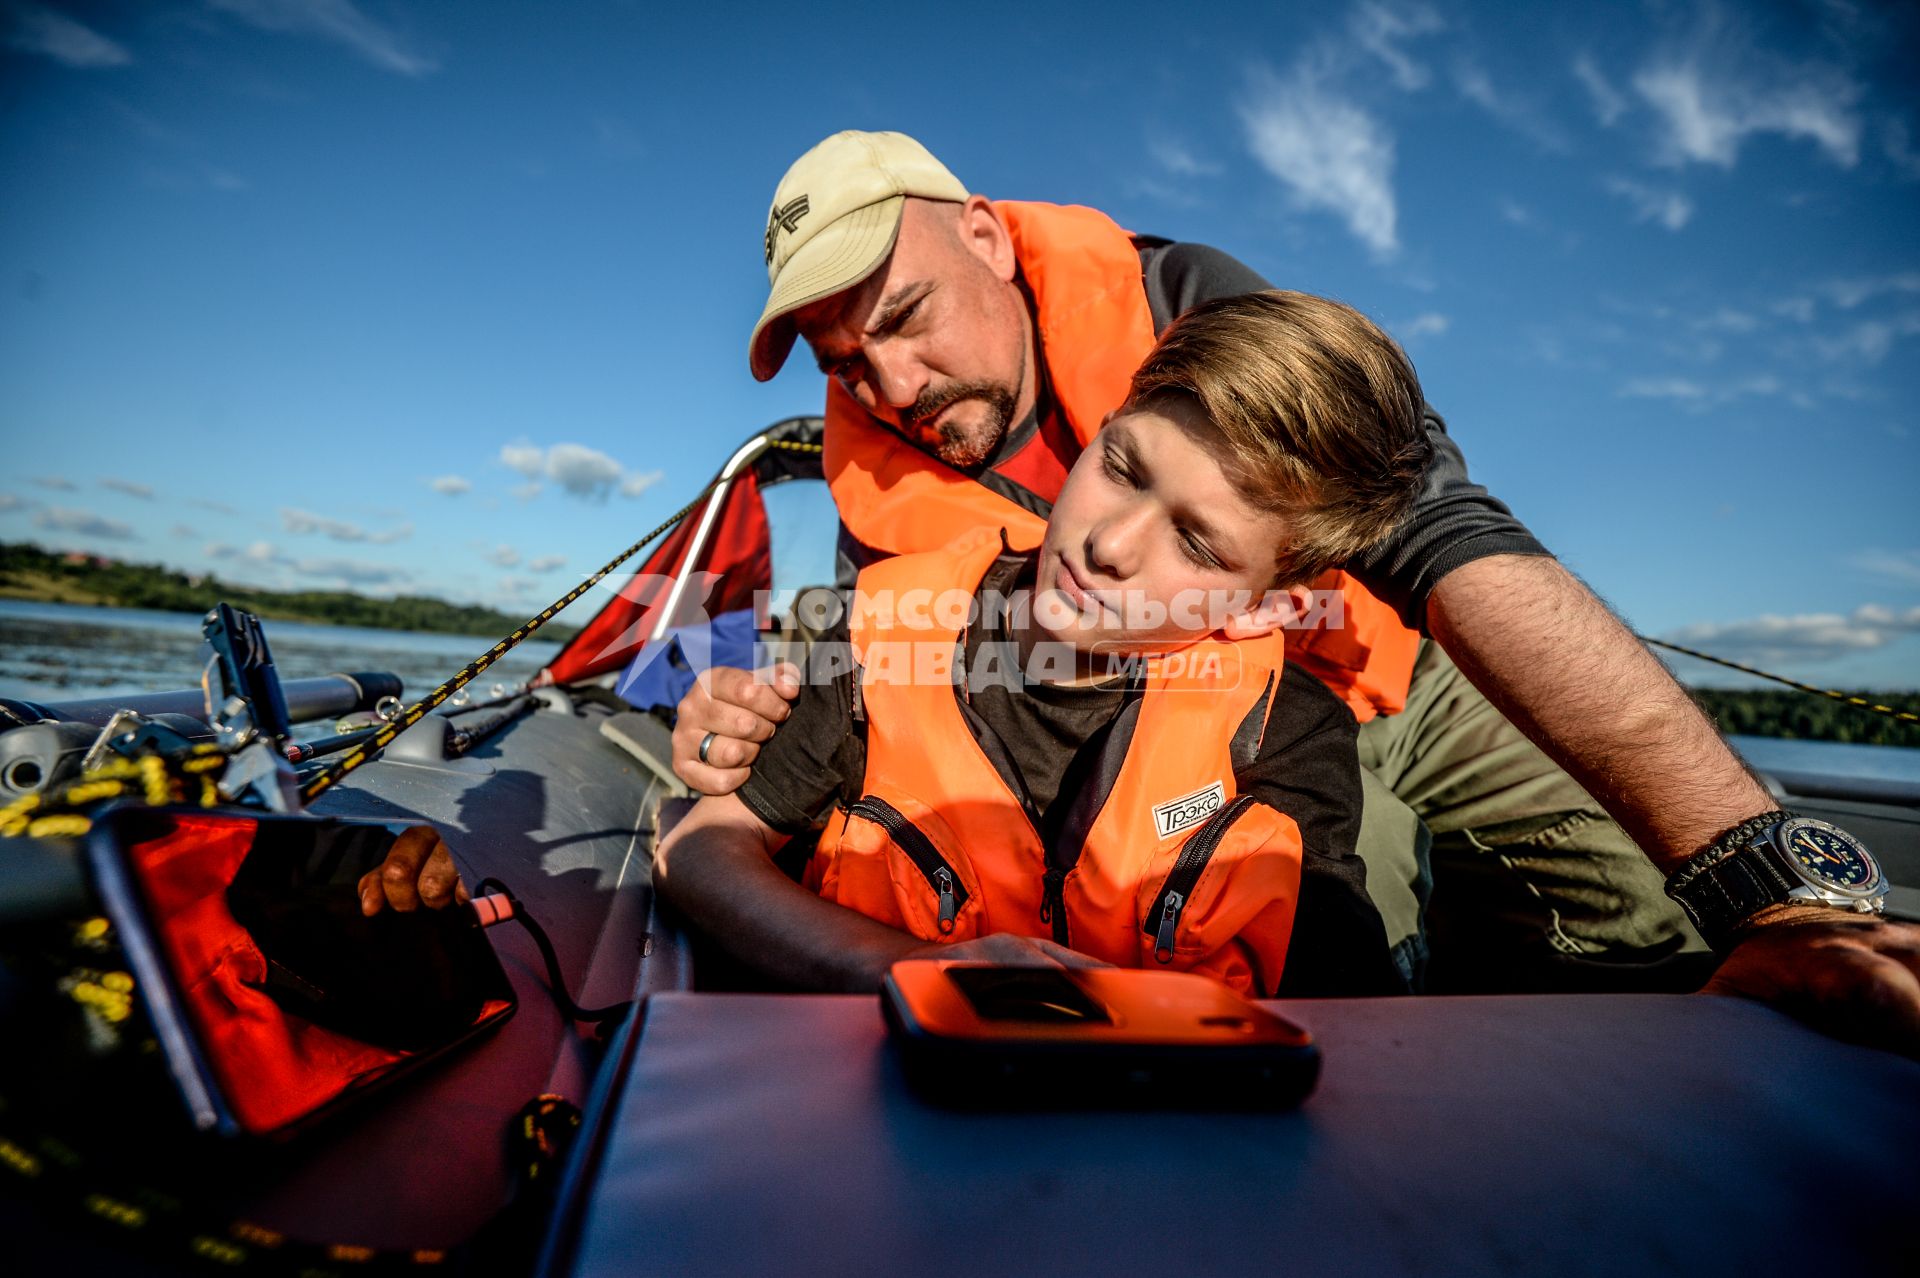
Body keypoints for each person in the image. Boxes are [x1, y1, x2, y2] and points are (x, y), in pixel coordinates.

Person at [669, 131, 1919, 1052]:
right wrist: (735, 724)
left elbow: (1445, 532)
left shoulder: (1183, 308)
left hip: (1379, 672)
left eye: (906, 314)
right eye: (848, 361)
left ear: (987, 237)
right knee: (1346, 934)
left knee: (1636, 909)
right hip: (1187, 730)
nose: (891, 383)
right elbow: (877, 695)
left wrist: (1770, 887)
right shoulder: (872, 490)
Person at [653, 289, 1431, 995]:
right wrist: (914, 969)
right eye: (1123, 468)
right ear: (1099, 432)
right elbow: (701, 850)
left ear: (1263, 610)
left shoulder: (1288, 733)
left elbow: (1339, 1002)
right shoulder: (877, 630)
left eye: (1197, 545)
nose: (1112, 545)